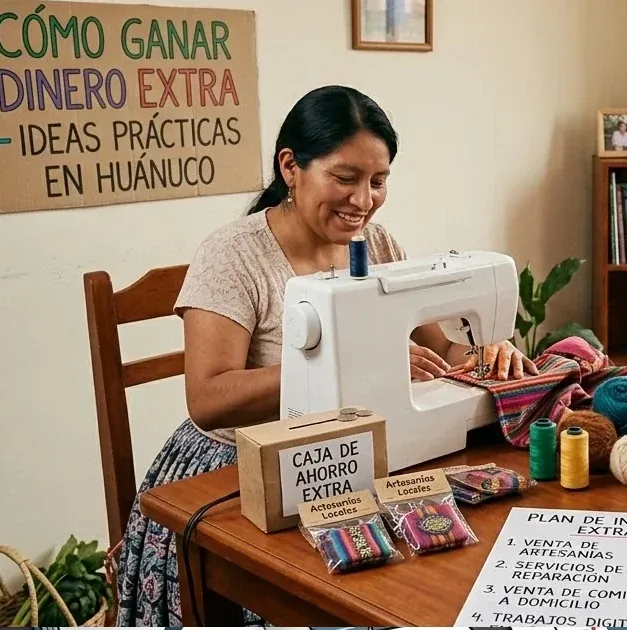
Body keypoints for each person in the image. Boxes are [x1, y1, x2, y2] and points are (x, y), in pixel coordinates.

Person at [115, 85, 535, 626]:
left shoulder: (378, 245)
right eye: (344, 178)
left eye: (378, 181)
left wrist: (487, 349)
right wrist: (351, 361)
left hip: (349, 459)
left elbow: (443, 347)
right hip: (237, 469)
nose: (363, 200)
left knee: (447, 577)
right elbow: (208, 398)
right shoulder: (234, 255)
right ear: (291, 167)